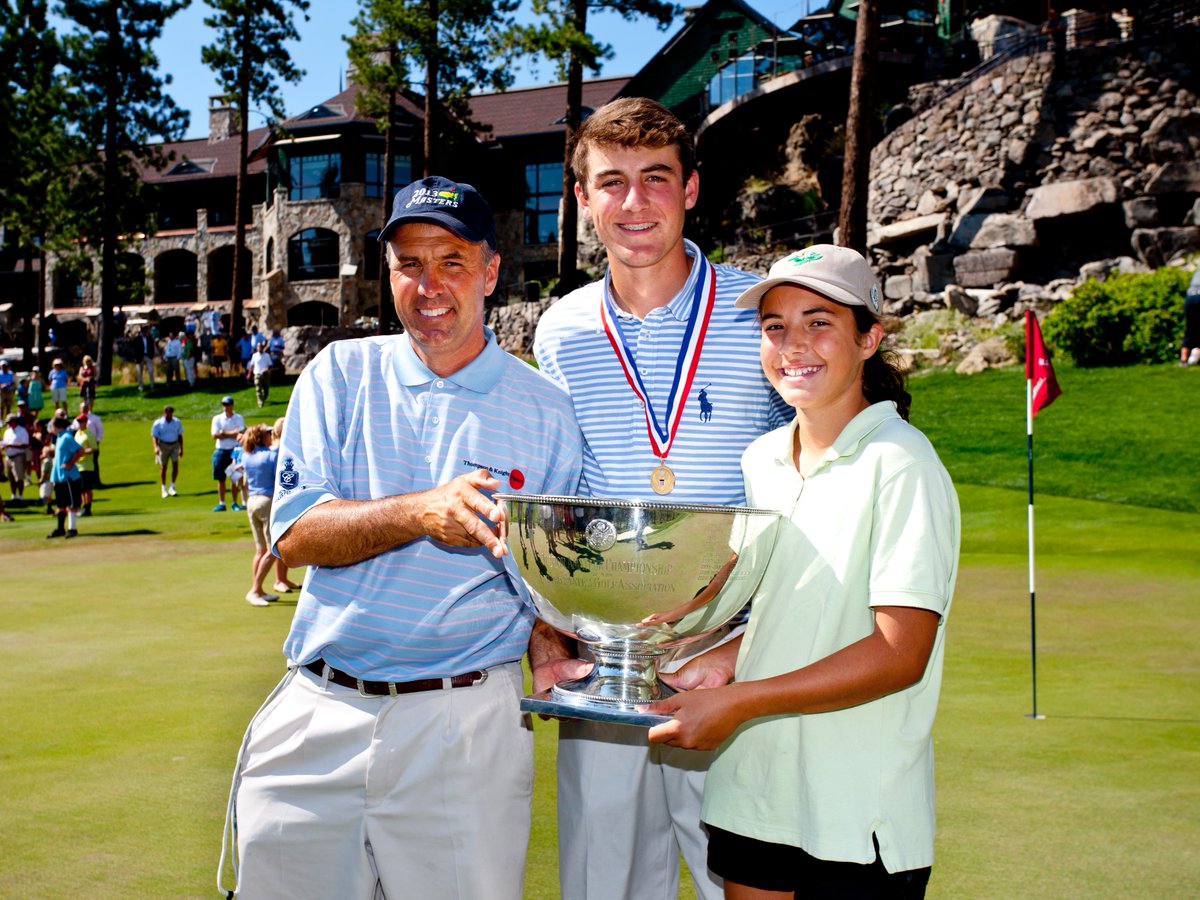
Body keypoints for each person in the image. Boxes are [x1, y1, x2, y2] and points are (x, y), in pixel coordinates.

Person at [220, 175, 584, 900]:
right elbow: (294, 533)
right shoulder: (338, 373)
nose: (428, 284)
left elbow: (554, 576)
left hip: (462, 722)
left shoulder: (546, 411)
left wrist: (552, 633)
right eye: (408, 263)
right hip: (319, 706)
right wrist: (419, 512)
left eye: (450, 261)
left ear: (488, 271)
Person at [530, 97, 791, 900]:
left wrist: (749, 652)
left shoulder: (764, 313)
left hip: (731, 657)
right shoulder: (560, 329)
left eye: (655, 178)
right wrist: (546, 629)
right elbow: (558, 492)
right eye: (611, 182)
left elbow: (810, 484)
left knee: (738, 886)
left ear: (692, 189)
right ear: (581, 199)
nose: (633, 202)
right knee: (603, 886)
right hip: (603, 660)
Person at [644, 246, 961, 898]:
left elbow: (900, 653)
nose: (793, 345)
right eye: (775, 326)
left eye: (819, 322)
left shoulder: (902, 464)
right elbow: (798, 608)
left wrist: (737, 701)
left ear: (869, 337)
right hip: (756, 792)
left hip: (855, 808)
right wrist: (726, 657)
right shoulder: (762, 458)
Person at [236, 423, 281, 606]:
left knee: (260, 550)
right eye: (268, 433)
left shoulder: (246, 455)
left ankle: (259, 589)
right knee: (272, 550)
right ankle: (255, 590)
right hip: (267, 501)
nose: (271, 435)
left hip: (252, 502)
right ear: (261, 437)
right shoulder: (271, 455)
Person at [267, 416, 302, 595]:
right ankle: (279, 580)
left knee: (285, 540)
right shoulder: (278, 451)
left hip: (285, 499)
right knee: (279, 541)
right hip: (277, 499)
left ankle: (283, 577)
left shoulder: (284, 449)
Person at [46, 414, 85, 539]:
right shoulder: (59, 437)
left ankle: (72, 528)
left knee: (71, 503)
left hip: (68, 476)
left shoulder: (67, 437)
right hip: (59, 476)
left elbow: (80, 450)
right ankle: (60, 528)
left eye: (52, 425)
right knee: (61, 504)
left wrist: (70, 463)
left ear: (58, 426)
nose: (50, 428)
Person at [210, 395, 244, 512]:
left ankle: (235, 503)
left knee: (234, 477)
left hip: (234, 450)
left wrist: (224, 432)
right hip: (221, 450)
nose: (226, 407)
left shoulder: (239, 418)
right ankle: (222, 503)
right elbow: (215, 435)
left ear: (232, 405)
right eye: (224, 404)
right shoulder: (217, 419)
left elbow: (240, 432)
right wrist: (232, 433)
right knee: (221, 478)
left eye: (228, 404)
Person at [151, 405, 184, 498]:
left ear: (172, 413)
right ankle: (163, 488)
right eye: (166, 412)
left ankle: (172, 487)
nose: (167, 414)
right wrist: (156, 447)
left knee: (175, 465)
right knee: (163, 467)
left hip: (174, 445)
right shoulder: (158, 423)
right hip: (163, 445)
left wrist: (181, 448)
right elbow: (154, 436)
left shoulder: (177, 422)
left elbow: (180, 435)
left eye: (169, 412)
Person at [3, 412, 30, 505]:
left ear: (15, 421)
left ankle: (20, 496)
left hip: (18, 456)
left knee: (19, 478)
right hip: (8, 456)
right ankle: (13, 495)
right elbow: (5, 442)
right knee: (11, 478)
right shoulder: (7, 432)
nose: (9, 424)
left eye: (10, 422)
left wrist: (12, 445)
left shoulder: (22, 431)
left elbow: (25, 444)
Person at [73, 413, 96, 516]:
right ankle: (83, 506)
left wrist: (82, 452)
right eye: (78, 421)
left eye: (81, 421)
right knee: (81, 488)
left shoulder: (89, 434)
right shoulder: (77, 433)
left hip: (86, 465)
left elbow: (94, 448)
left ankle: (88, 507)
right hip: (78, 464)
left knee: (87, 488)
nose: (80, 423)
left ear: (86, 422)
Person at [1182, 267, 1200, 366]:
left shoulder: (1197, 271)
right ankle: (1196, 354)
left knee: (1189, 329)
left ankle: (1183, 360)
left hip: (1189, 298)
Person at [248, 340, 272, 407]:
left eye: (261, 347)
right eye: (258, 347)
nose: (259, 348)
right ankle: (260, 401)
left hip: (265, 374)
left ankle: (263, 398)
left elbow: (270, 365)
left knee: (266, 390)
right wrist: (249, 374)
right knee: (258, 389)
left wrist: (269, 371)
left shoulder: (267, 355)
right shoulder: (254, 355)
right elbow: (252, 365)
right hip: (257, 374)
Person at [133, 326, 157, 390]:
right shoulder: (137, 339)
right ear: (143, 332)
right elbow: (134, 349)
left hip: (148, 356)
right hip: (140, 357)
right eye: (146, 331)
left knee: (150, 370)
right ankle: (141, 386)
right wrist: (135, 357)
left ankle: (152, 384)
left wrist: (152, 355)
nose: (147, 333)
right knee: (139, 372)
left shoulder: (149, 338)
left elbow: (152, 347)